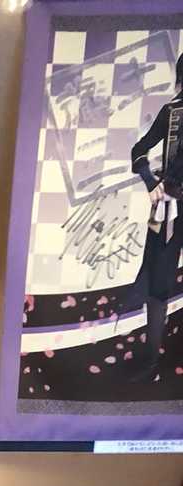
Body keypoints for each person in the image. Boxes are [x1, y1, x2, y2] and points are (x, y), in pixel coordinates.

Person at [128, 53, 183, 381]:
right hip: (169, 208)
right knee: (157, 284)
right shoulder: (171, 112)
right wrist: (151, 181)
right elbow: (139, 150)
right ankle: (150, 363)